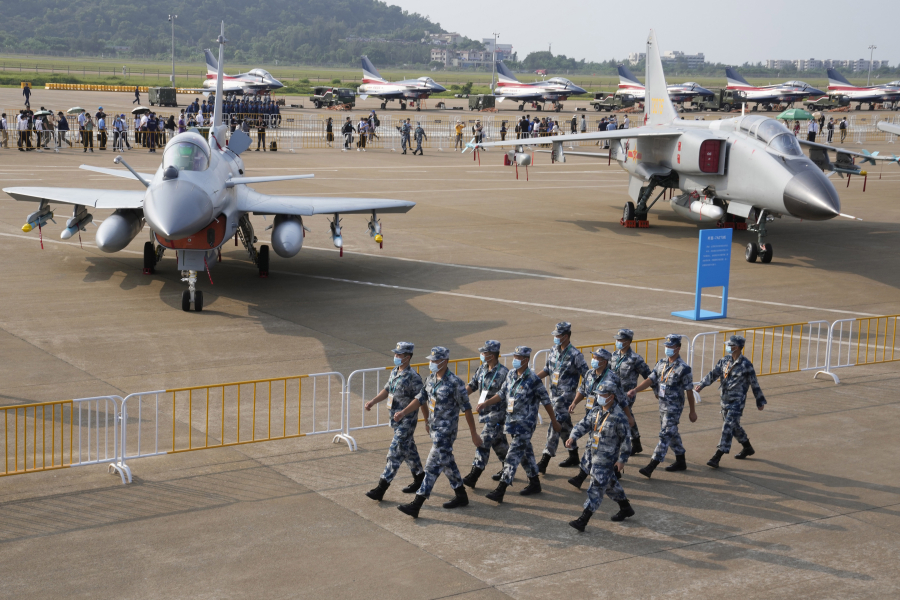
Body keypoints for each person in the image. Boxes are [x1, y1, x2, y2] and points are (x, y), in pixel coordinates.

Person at [395, 347, 483, 519]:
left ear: (445, 361)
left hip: (446, 432)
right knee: (447, 463)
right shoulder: (431, 379)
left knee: (431, 467)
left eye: (435, 361)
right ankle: (461, 495)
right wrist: (404, 412)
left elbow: (467, 409)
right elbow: (420, 399)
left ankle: (417, 504)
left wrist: (473, 433)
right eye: (431, 360)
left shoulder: (455, 383)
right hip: (435, 429)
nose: (432, 363)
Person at [479, 346, 561, 503]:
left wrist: (554, 421)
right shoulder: (510, 374)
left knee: (512, 455)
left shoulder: (533, 379)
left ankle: (501, 489)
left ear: (526, 360)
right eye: (514, 356)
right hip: (512, 423)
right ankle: (535, 482)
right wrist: (486, 403)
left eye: (518, 357)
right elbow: (502, 394)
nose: (515, 359)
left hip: (525, 424)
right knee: (525, 453)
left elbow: (546, 401)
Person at [565, 380, 635, 531]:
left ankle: (583, 520)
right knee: (609, 484)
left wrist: (622, 460)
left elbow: (626, 440)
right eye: (598, 394)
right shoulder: (596, 411)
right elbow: (583, 424)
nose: (599, 397)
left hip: (606, 459)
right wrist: (573, 437)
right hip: (593, 455)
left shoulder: (619, 417)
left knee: (596, 488)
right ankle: (626, 507)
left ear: (611, 396)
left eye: (602, 394)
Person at [628, 334, 697, 478]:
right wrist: (635, 390)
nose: (668, 349)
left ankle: (652, 465)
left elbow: (689, 391)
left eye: (671, 346)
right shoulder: (661, 364)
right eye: (667, 346)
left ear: (678, 348)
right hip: (662, 405)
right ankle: (681, 460)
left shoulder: (684, 368)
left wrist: (692, 411)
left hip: (674, 408)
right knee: (671, 433)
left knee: (665, 434)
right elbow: (650, 380)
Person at [364, 342, 426, 502]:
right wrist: (372, 401)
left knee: (394, 453)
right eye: (396, 354)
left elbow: (422, 400)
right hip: (396, 421)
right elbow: (387, 390)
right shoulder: (395, 371)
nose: (396, 357)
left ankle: (381, 488)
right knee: (409, 450)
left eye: (400, 355)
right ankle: (420, 478)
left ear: (408, 357)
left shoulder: (413, 377)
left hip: (406, 422)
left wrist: (426, 421)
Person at [694, 335, 766, 468]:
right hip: (724, 400)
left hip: (737, 402)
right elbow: (713, 374)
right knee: (734, 427)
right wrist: (701, 385)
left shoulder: (746, 365)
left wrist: (759, 401)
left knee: (727, 427)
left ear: (736, 347)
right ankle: (747, 447)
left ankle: (718, 455)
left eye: (730, 345)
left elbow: (754, 383)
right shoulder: (724, 360)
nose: (727, 347)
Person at [535, 322, 589, 473]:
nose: (556, 338)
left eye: (558, 336)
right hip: (553, 396)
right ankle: (574, 455)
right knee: (565, 427)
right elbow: (547, 369)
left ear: (566, 336)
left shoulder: (575, 355)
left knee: (555, 424)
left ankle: (544, 460)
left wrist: (579, 396)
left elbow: (587, 376)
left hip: (566, 398)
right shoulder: (553, 350)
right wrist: (533, 379)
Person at [461, 341, 510, 489]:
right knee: (499, 444)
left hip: (497, 414)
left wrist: (487, 403)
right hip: (485, 413)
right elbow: (473, 384)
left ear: (492, 355)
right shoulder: (482, 368)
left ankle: (474, 475)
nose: (482, 355)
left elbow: (504, 394)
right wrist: (460, 395)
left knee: (484, 441)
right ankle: (509, 468)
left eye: (485, 353)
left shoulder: (503, 373)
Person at [610, 329, 652, 455]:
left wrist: (657, 390)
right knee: (628, 415)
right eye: (617, 339)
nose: (617, 342)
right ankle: (636, 442)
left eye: (620, 340)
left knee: (620, 415)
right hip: (614, 393)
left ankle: (622, 444)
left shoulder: (635, 359)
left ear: (628, 342)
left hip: (628, 394)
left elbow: (649, 376)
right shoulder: (614, 356)